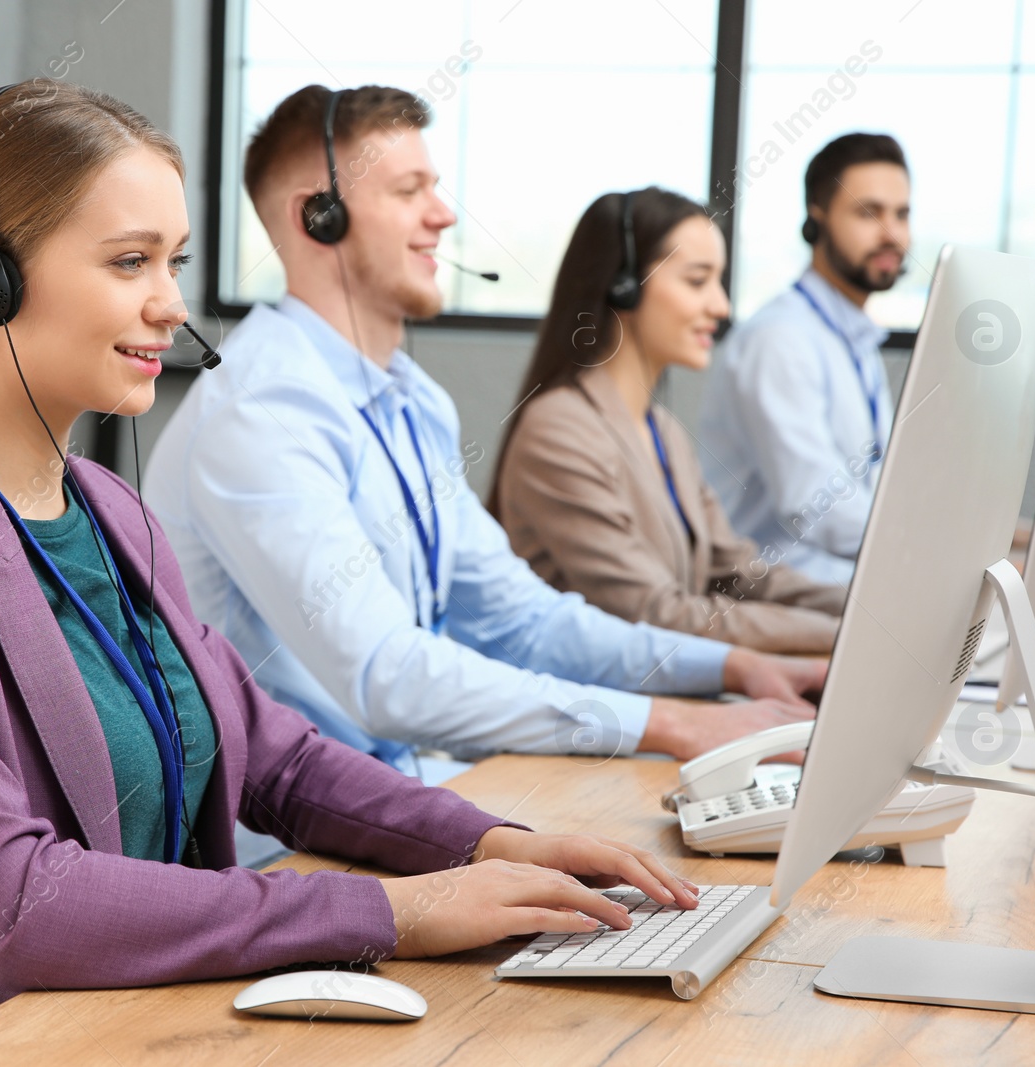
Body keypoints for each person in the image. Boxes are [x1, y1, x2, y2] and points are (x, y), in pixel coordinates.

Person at [0, 80, 708, 1065]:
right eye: (130, 260)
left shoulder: (110, 512)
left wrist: (488, 841)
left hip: (111, 1028)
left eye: (174, 260)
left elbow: (278, 759)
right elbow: (8, 902)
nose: (171, 305)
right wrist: (390, 910)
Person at [143, 84, 825, 781]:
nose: (443, 215)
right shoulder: (262, 412)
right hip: (281, 849)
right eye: (410, 191)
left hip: (398, 787)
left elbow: (525, 620)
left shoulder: (413, 403)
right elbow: (387, 676)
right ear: (318, 216)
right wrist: (672, 722)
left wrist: (733, 664)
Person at [492, 187, 846, 655]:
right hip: (593, 714)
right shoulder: (558, 431)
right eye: (698, 281)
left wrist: (869, 610)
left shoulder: (663, 431)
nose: (720, 307)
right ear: (625, 286)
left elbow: (738, 573)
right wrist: (842, 637)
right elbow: (658, 614)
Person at [696, 133, 911, 585]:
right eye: (868, 213)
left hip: (838, 577)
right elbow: (818, 507)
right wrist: (934, 553)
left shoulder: (851, 338)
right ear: (818, 218)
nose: (891, 234)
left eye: (902, 214)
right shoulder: (780, 340)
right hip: (767, 590)